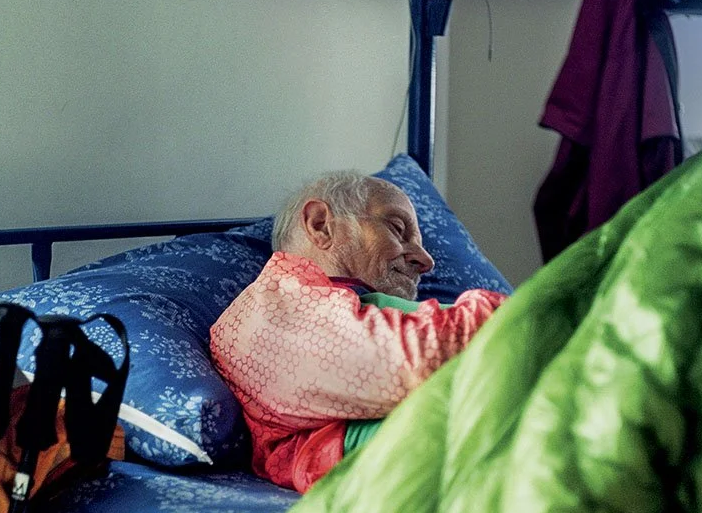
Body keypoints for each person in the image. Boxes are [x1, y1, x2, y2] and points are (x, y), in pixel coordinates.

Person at [210, 171, 507, 493]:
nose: (426, 260)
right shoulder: (271, 308)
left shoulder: (352, 306)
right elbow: (416, 361)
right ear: (320, 224)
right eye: (397, 229)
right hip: (375, 457)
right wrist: (529, 308)